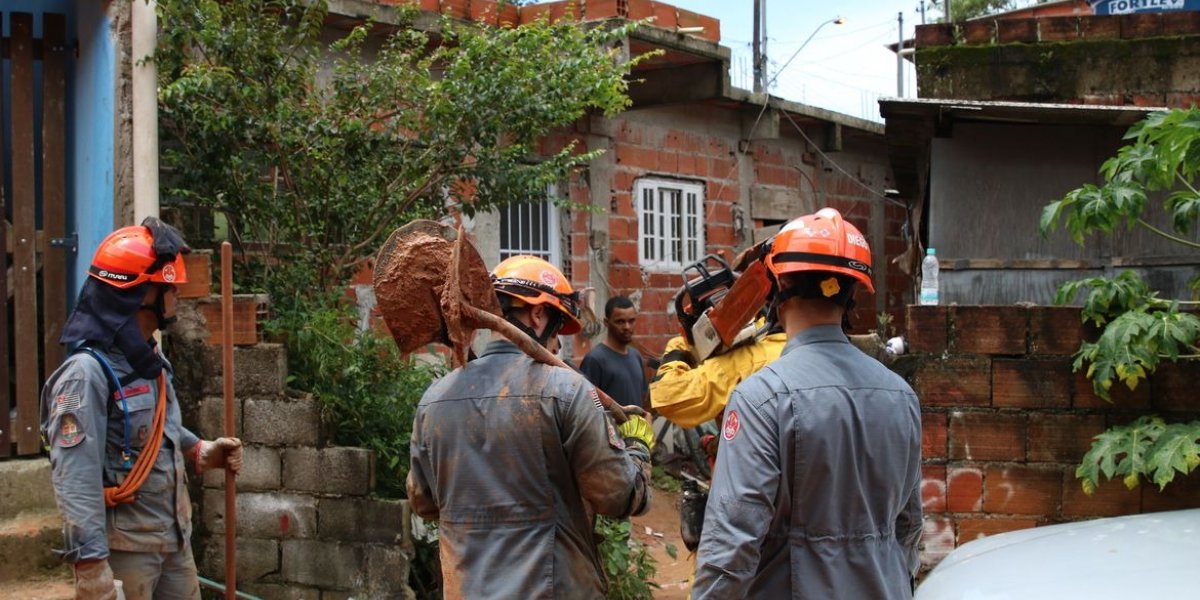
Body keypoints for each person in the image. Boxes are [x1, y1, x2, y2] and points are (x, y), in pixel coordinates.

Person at [692, 208, 923, 599]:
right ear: (852, 293)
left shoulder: (761, 399)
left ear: (778, 284)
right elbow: (909, 528)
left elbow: (731, 549)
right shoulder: (901, 395)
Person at [407, 255, 655, 599]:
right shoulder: (566, 391)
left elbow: (423, 501)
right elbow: (618, 496)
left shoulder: (435, 399)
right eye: (559, 326)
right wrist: (637, 448)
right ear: (538, 314)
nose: (558, 344)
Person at [40, 219, 244, 600]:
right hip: (126, 551)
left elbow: (158, 425)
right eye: (168, 286)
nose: (176, 294)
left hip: (174, 539)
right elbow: (75, 478)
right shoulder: (85, 375)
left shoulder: (149, 358)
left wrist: (200, 450)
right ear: (140, 294)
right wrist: (91, 569)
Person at [579, 295, 647, 409]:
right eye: (620, 322)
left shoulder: (636, 356)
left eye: (631, 321)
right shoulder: (595, 359)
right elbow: (586, 404)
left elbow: (642, 399)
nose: (627, 327)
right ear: (606, 322)